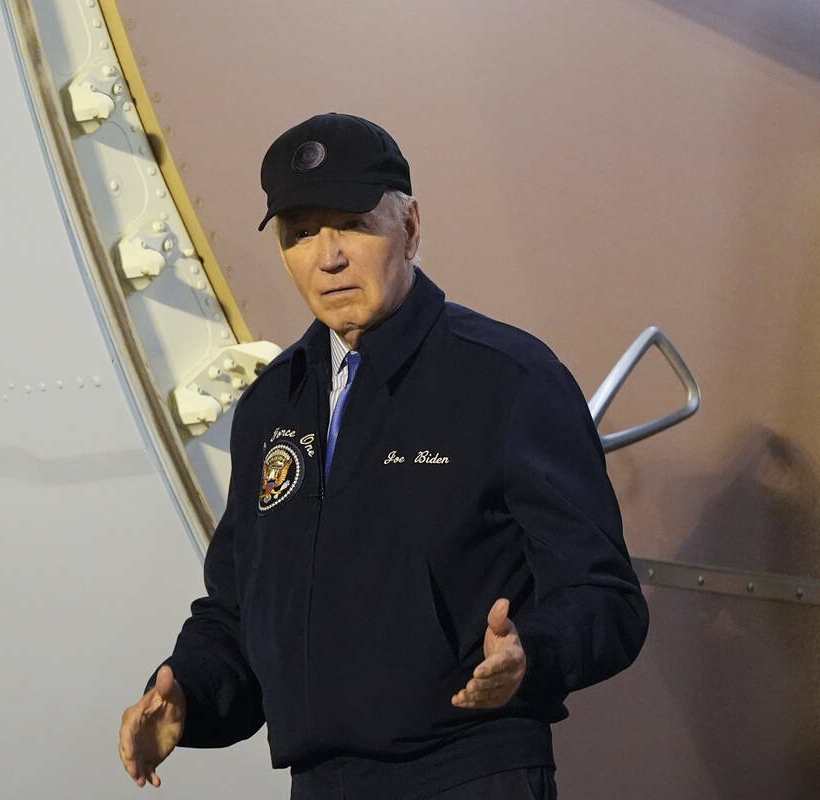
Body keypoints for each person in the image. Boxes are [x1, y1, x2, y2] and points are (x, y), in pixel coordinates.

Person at [118, 113, 649, 799]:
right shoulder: (272, 405)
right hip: (320, 784)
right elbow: (240, 616)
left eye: (352, 224)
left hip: (471, 773)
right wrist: (186, 696)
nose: (326, 255)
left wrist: (531, 653)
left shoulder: (506, 378)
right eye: (301, 232)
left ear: (411, 227)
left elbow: (606, 599)